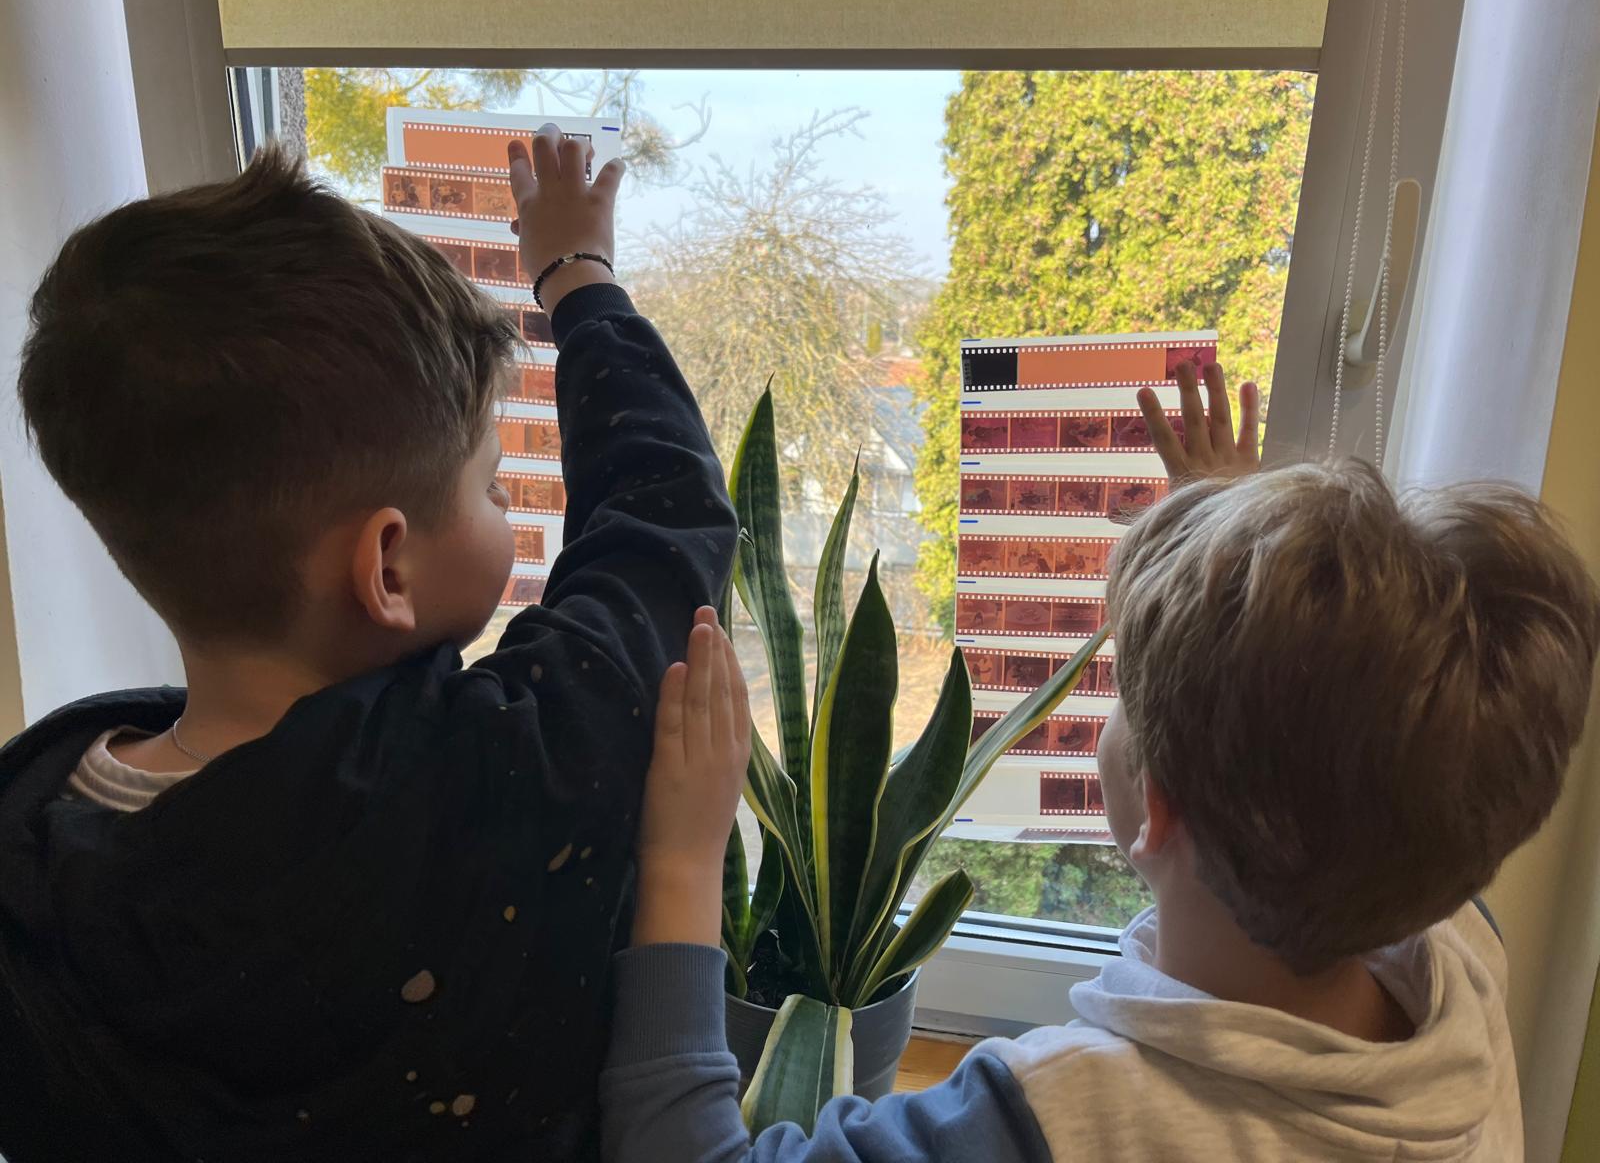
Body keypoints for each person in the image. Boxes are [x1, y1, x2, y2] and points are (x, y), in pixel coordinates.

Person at [601, 362, 1600, 1161]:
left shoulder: (1053, 1124)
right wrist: (1229, 540)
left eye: (1124, 689)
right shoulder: (1461, 957)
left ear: (1155, 805)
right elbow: (1365, 747)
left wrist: (685, 858)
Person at [0, 125, 736, 1162]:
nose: (505, 503)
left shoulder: (31, 846)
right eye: (489, 483)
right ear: (386, 567)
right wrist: (578, 275)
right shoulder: (514, 768)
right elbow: (662, 511)